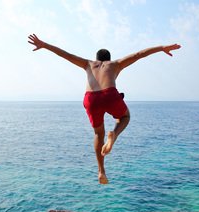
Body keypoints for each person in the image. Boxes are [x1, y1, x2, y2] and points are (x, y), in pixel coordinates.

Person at [28, 34, 181, 184]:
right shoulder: (115, 64)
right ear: (108, 59)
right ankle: (114, 134)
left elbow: (66, 54)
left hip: (90, 99)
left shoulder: (88, 64)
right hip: (109, 95)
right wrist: (161, 48)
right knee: (125, 117)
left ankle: (101, 171)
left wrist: (44, 45)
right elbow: (139, 54)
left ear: (97, 59)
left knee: (98, 134)